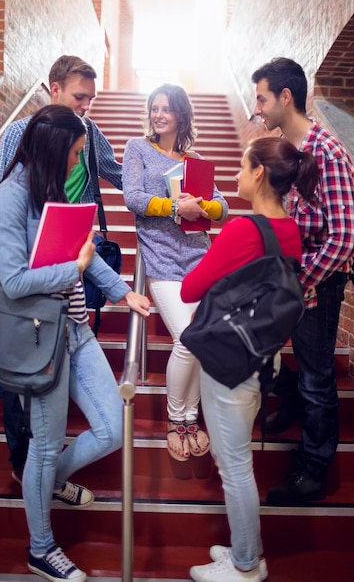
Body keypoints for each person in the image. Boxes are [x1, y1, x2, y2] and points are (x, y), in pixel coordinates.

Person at [0, 104, 150, 582]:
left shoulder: (54, 187)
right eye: (76, 153)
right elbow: (13, 279)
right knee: (42, 446)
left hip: (75, 329)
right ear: (54, 149)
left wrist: (124, 293)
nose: (81, 163)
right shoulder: (11, 196)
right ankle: (41, 548)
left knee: (112, 429)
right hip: (39, 337)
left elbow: (84, 249)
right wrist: (74, 270)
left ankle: (48, 480)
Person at [0, 55, 122, 484]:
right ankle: (22, 464)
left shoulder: (88, 133)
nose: (86, 105)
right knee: (25, 365)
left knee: (60, 346)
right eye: (78, 96)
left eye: (91, 98)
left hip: (71, 260)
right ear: (54, 89)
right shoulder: (20, 132)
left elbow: (114, 173)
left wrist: (160, 178)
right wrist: (18, 242)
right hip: (26, 266)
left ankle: (41, 466)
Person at [182, 136, 319, 582]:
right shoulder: (291, 231)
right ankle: (247, 551)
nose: (236, 177)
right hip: (263, 359)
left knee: (234, 467)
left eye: (241, 168)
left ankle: (245, 567)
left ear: (259, 173)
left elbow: (190, 289)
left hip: (229, 362)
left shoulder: (244, 229)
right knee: (236, 461)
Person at [251, 57, 354, 505]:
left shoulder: (327, 153)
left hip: (316, 287)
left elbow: (347, 236)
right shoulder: (285, 150)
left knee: (319, 379)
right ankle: (292, 396)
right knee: (283, 359)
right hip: (291, 280)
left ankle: (314, 469)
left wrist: (301, 278)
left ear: (285, 97)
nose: (257, 107)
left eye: (261, 98)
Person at [122, 83, 228, 461]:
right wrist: (173, 208)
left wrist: (203, 207)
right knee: (188, 339)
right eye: (155, 108)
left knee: (203, 339)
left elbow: (223, 205)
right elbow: (132, 197)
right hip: (163, 259)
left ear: (181, 115)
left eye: (167, 109)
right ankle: (174, 419)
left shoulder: (193, 158)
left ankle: (191, 420)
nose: (159, 115)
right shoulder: (137, 149)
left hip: (199, 257)